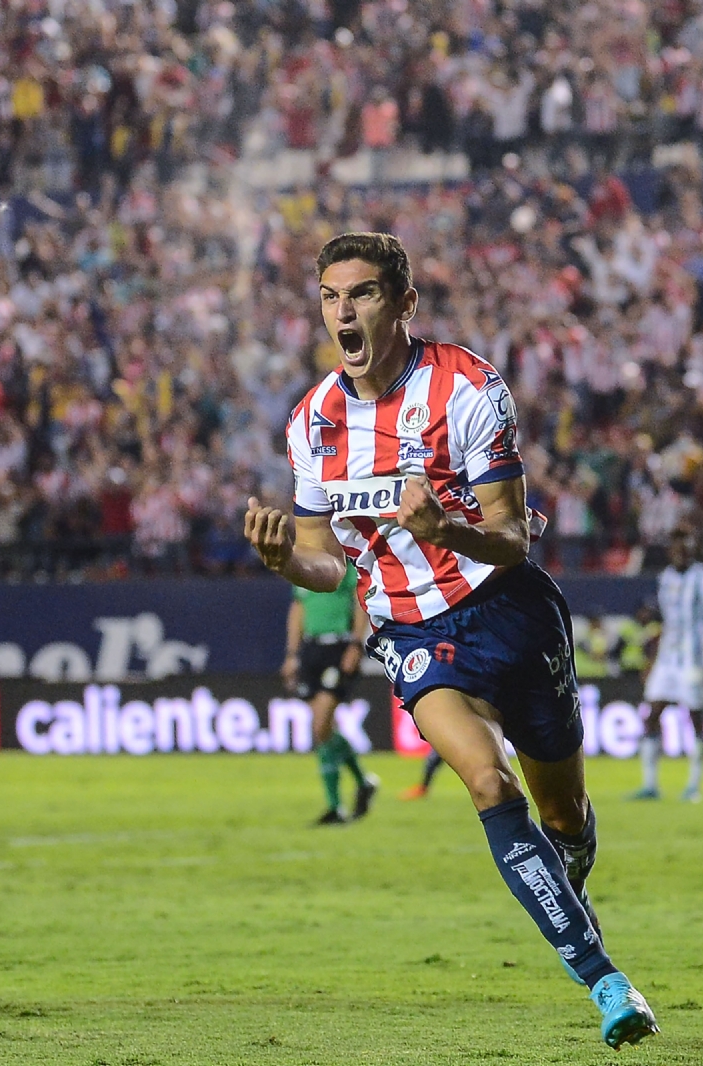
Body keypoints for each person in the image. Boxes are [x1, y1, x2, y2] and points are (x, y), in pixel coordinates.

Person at [243, 233, 657, 1049]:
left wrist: (447, 530)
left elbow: (511, 538)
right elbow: (331, 569)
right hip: (410, 626)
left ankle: (567, 869)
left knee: (564, 815)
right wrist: (286, 558)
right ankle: (606, 982)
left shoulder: (468, 388)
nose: (343, 312)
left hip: (509, 609)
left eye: (360, 294)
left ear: (403, 305)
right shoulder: (313, 423)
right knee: (485, 783)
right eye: (330, 297)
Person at [631, 522, 703, 803]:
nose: (681, 548)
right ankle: (650, 785)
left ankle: (693, 786)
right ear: (670, 549)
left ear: (693, 546)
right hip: (668, 656)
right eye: (676, 543)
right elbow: (665, 621)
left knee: (695, 718)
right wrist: (652, 659)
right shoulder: (666, 578)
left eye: (686, 542)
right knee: (652, 714)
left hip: (695, 656)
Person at [282, 568, 377, 824]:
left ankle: (336, 806)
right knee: (323, 730)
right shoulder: (301, 566)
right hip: (311, 649)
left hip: (339, 646)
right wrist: (292, 654)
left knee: (321, 725)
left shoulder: (344, 568)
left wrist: (356, 644)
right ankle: (362, 783)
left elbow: (360, 603)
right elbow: (298, 609)